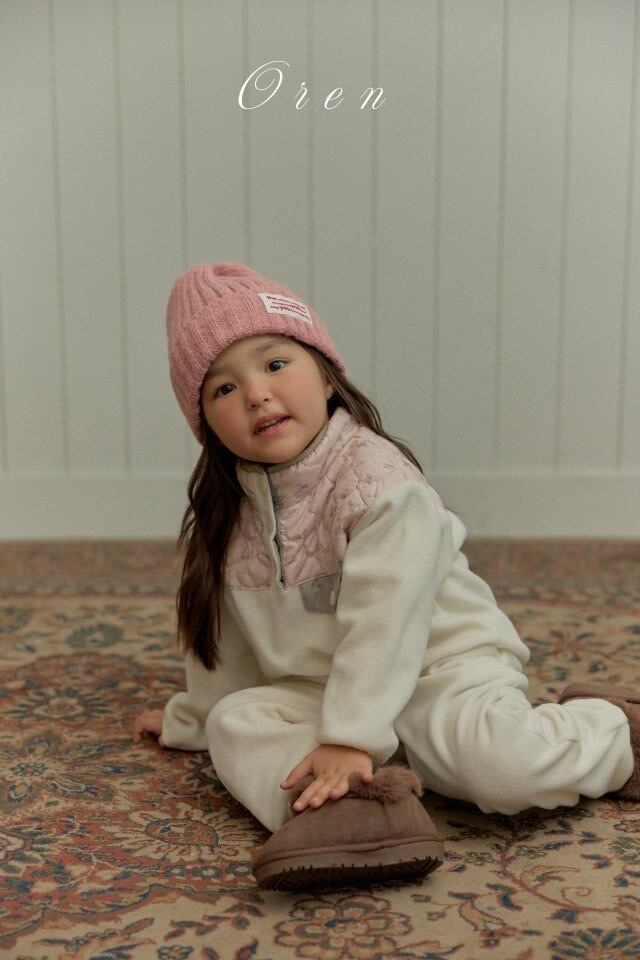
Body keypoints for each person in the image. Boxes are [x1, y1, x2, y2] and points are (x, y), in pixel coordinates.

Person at [132, 261, 638, 891]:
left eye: (275, 364)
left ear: (326, 373)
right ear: (205, 424)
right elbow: (222, 645)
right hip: (322, 690)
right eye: (224, 389)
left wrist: (351, 738)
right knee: (236, 722)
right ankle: (351, 809)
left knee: (500, 768)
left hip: (437, 671)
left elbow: (387, 621)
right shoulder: (227, 514)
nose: (256, 394)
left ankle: (614, 733)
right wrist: (194, 718)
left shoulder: (377, 481)